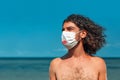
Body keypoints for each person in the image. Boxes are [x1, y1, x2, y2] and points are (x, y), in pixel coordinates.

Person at [49, 14, 107, 80]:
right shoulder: (56, 64)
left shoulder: (98, 63)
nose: (64, 33)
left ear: (83, 34)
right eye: (63, 30)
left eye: (70, 29)